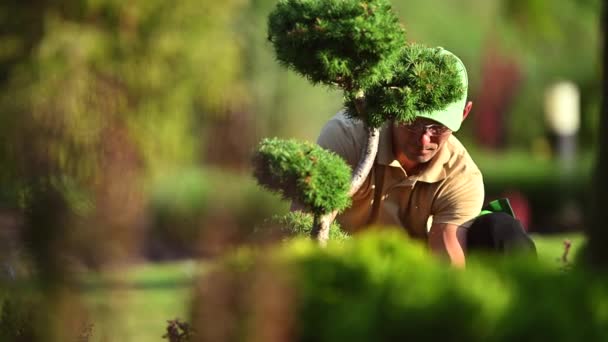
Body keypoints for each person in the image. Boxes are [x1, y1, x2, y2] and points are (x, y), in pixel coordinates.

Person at [315, 49, 536, 267]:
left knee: (501, 231)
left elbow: (447, 257)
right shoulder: (346, 138)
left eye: (437, 127)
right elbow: (308, 227)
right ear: (391, 107)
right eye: (411, 122)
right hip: (342, 263)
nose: (423, 140)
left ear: (464, 113)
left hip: (412, 271)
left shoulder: (461, 175)